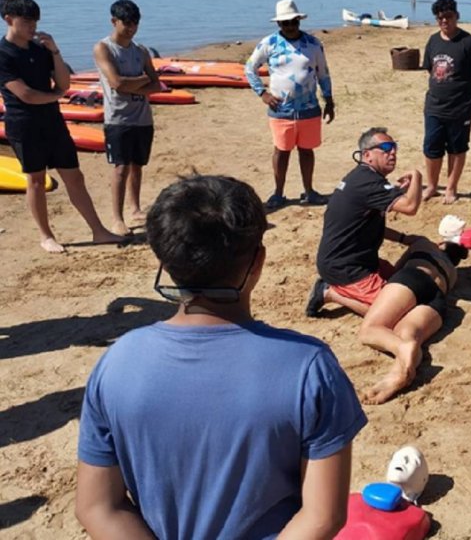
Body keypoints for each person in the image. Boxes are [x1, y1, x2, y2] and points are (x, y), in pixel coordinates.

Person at [75, 175, 366, 539]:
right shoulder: (309, 367)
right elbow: (323, 516)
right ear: (257, 262)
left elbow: (98, 506)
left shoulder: (116, 364)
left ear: (165, 264)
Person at [0, 0, 123, 253]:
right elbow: (25, 95)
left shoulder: (40, 49)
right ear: (9, 19)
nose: (33, 27)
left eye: (35, 21)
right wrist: (55, 95)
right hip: (24, 123)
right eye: (27, 22)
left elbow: (65, 84)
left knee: (74, 176)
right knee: (35, 179)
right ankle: (46, 235)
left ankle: (98, 231)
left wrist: (55, 51)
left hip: (52, 121)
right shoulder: (3, 54)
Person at [309, 127, 422, 318]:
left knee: (403, 286)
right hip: (346, 269)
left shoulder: (363, 179)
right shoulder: (368, 184)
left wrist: (404, 238)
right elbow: (410, 207)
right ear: (367, 155)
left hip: (361, 261)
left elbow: (364, 224)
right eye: (386, 147)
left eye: (394, 147)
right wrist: (417, 176)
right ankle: (330, 293)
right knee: (396, 314)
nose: (392, 152)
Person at [246, 0, 335, 210]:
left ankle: (309, 191)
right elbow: (249, 69)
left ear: (299, 20)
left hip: (309, 110)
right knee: (281, 151)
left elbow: (323, 74)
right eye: (285, 23)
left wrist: (329, 100)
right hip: (281, 110)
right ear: (279, 24)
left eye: (293, 22)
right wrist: (263, 93)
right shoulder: (269, 44)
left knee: (307, 150)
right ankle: (278, 193)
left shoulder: (313, 45)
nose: (290, 26)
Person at [359, 238, 467, 404]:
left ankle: (402, 347)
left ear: (441, 244)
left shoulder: (424, 244)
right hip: (437, 298)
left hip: (413, 277)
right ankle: (395, 376)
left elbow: (395, 271)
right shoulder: (453, 272)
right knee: (410, 334)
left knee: (369, 329)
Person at [93, 0, 162, 235]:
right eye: (127, 23)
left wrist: (133, 84)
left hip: (142, 118)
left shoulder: (141, 51)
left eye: (135, 23)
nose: (131, 27)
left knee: (137, 166)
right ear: (114, 21)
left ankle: (135, 208)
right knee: (120, 168)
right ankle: (117, 218)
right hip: (118, 119)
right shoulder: (103, 48)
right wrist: (141, 81)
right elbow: (116, 83)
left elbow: (156, 85)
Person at [421, 0, 471, 204]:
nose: (444, 21)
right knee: (431, 147)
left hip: (461, 107)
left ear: (456, 16)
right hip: (434, 105)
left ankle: (451, 188)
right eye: (440, 18)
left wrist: (460, 82)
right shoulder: (433, 40)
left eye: (448, 17)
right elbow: (430, 69)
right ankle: (432, 186)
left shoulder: (469, 42)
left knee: (457, 148)